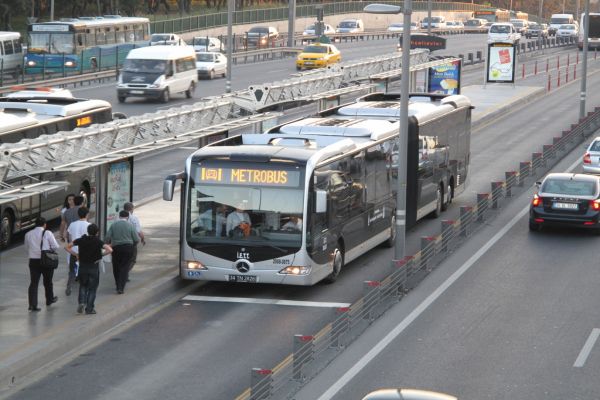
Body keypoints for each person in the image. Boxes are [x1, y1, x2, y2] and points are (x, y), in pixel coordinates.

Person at [67, 224, 112, 315]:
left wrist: (76, 254)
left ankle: (81, 302)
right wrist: (101, 255)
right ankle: (89, 309)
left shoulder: (81, 240)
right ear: (97, 232)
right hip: (93, 267)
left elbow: (67, 246)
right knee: (92, 288)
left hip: (83, 267)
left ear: (88, 231)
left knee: (83, 286)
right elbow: (110, 250)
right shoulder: (98, 241)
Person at [24, 217, 59, 312]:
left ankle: (32, 305)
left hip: (33, 261)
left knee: (34, 283)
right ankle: (49, 299)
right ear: (44, 224)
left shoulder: (28, 234)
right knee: (48, 281)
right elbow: (56, 246)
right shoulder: (47, 233)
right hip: (46, 260)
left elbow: (26, 248)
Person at [105, 210, 139, 294]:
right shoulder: (130, 225)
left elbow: (107, 237)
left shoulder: (113, 225)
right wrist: (132, 245)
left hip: (116, 248)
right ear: (127, 217)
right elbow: (136, 239)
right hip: (128, 248)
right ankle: (121, 287)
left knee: (116, 267)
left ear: (119, 216)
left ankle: (117, 285)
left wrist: (108, 244)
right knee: (124, 267)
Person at [65, 207, 90, 296]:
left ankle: (69, 285)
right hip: (84, 252)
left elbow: (69, 237)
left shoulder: (72, 224)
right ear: (87, 214)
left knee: (72, 270)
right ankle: (82, 288)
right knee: (84, 270)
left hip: (74, 251)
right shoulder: (89, 225)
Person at [123, 202, 145, 276]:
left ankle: (123, 271)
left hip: (120, 242)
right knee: (132, 259)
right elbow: (139, 231)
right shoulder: (134, 218)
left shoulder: (118, 217)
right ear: (132, 209)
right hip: (131, 242)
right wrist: (142, 239)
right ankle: (125, 272)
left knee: (123, 259)